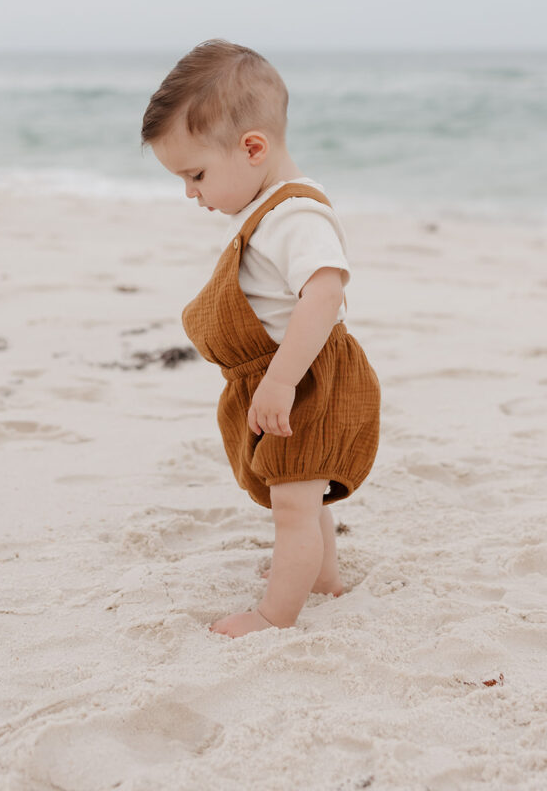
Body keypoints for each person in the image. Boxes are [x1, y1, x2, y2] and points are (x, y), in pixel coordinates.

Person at [141, 39, 380, 638]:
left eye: (196, 175)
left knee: (293, 510)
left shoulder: (296, 216)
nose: (190, 192)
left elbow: (324, 294)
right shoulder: (270, 209)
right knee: (302, 491)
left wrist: (279, 381)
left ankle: (275, 617)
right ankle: (323, 578)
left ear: (253, 148)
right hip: (293, 375)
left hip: (303, 379)